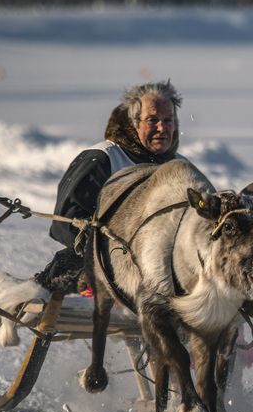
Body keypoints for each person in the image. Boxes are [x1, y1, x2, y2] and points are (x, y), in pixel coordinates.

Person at [36, 80, 183, 293]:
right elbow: (64, 222)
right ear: (134, 122)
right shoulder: (105, 158)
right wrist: (113, 250)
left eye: (168, 120)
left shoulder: (181, 168)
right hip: (97, 272)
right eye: (152, 120)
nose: (162, 128)